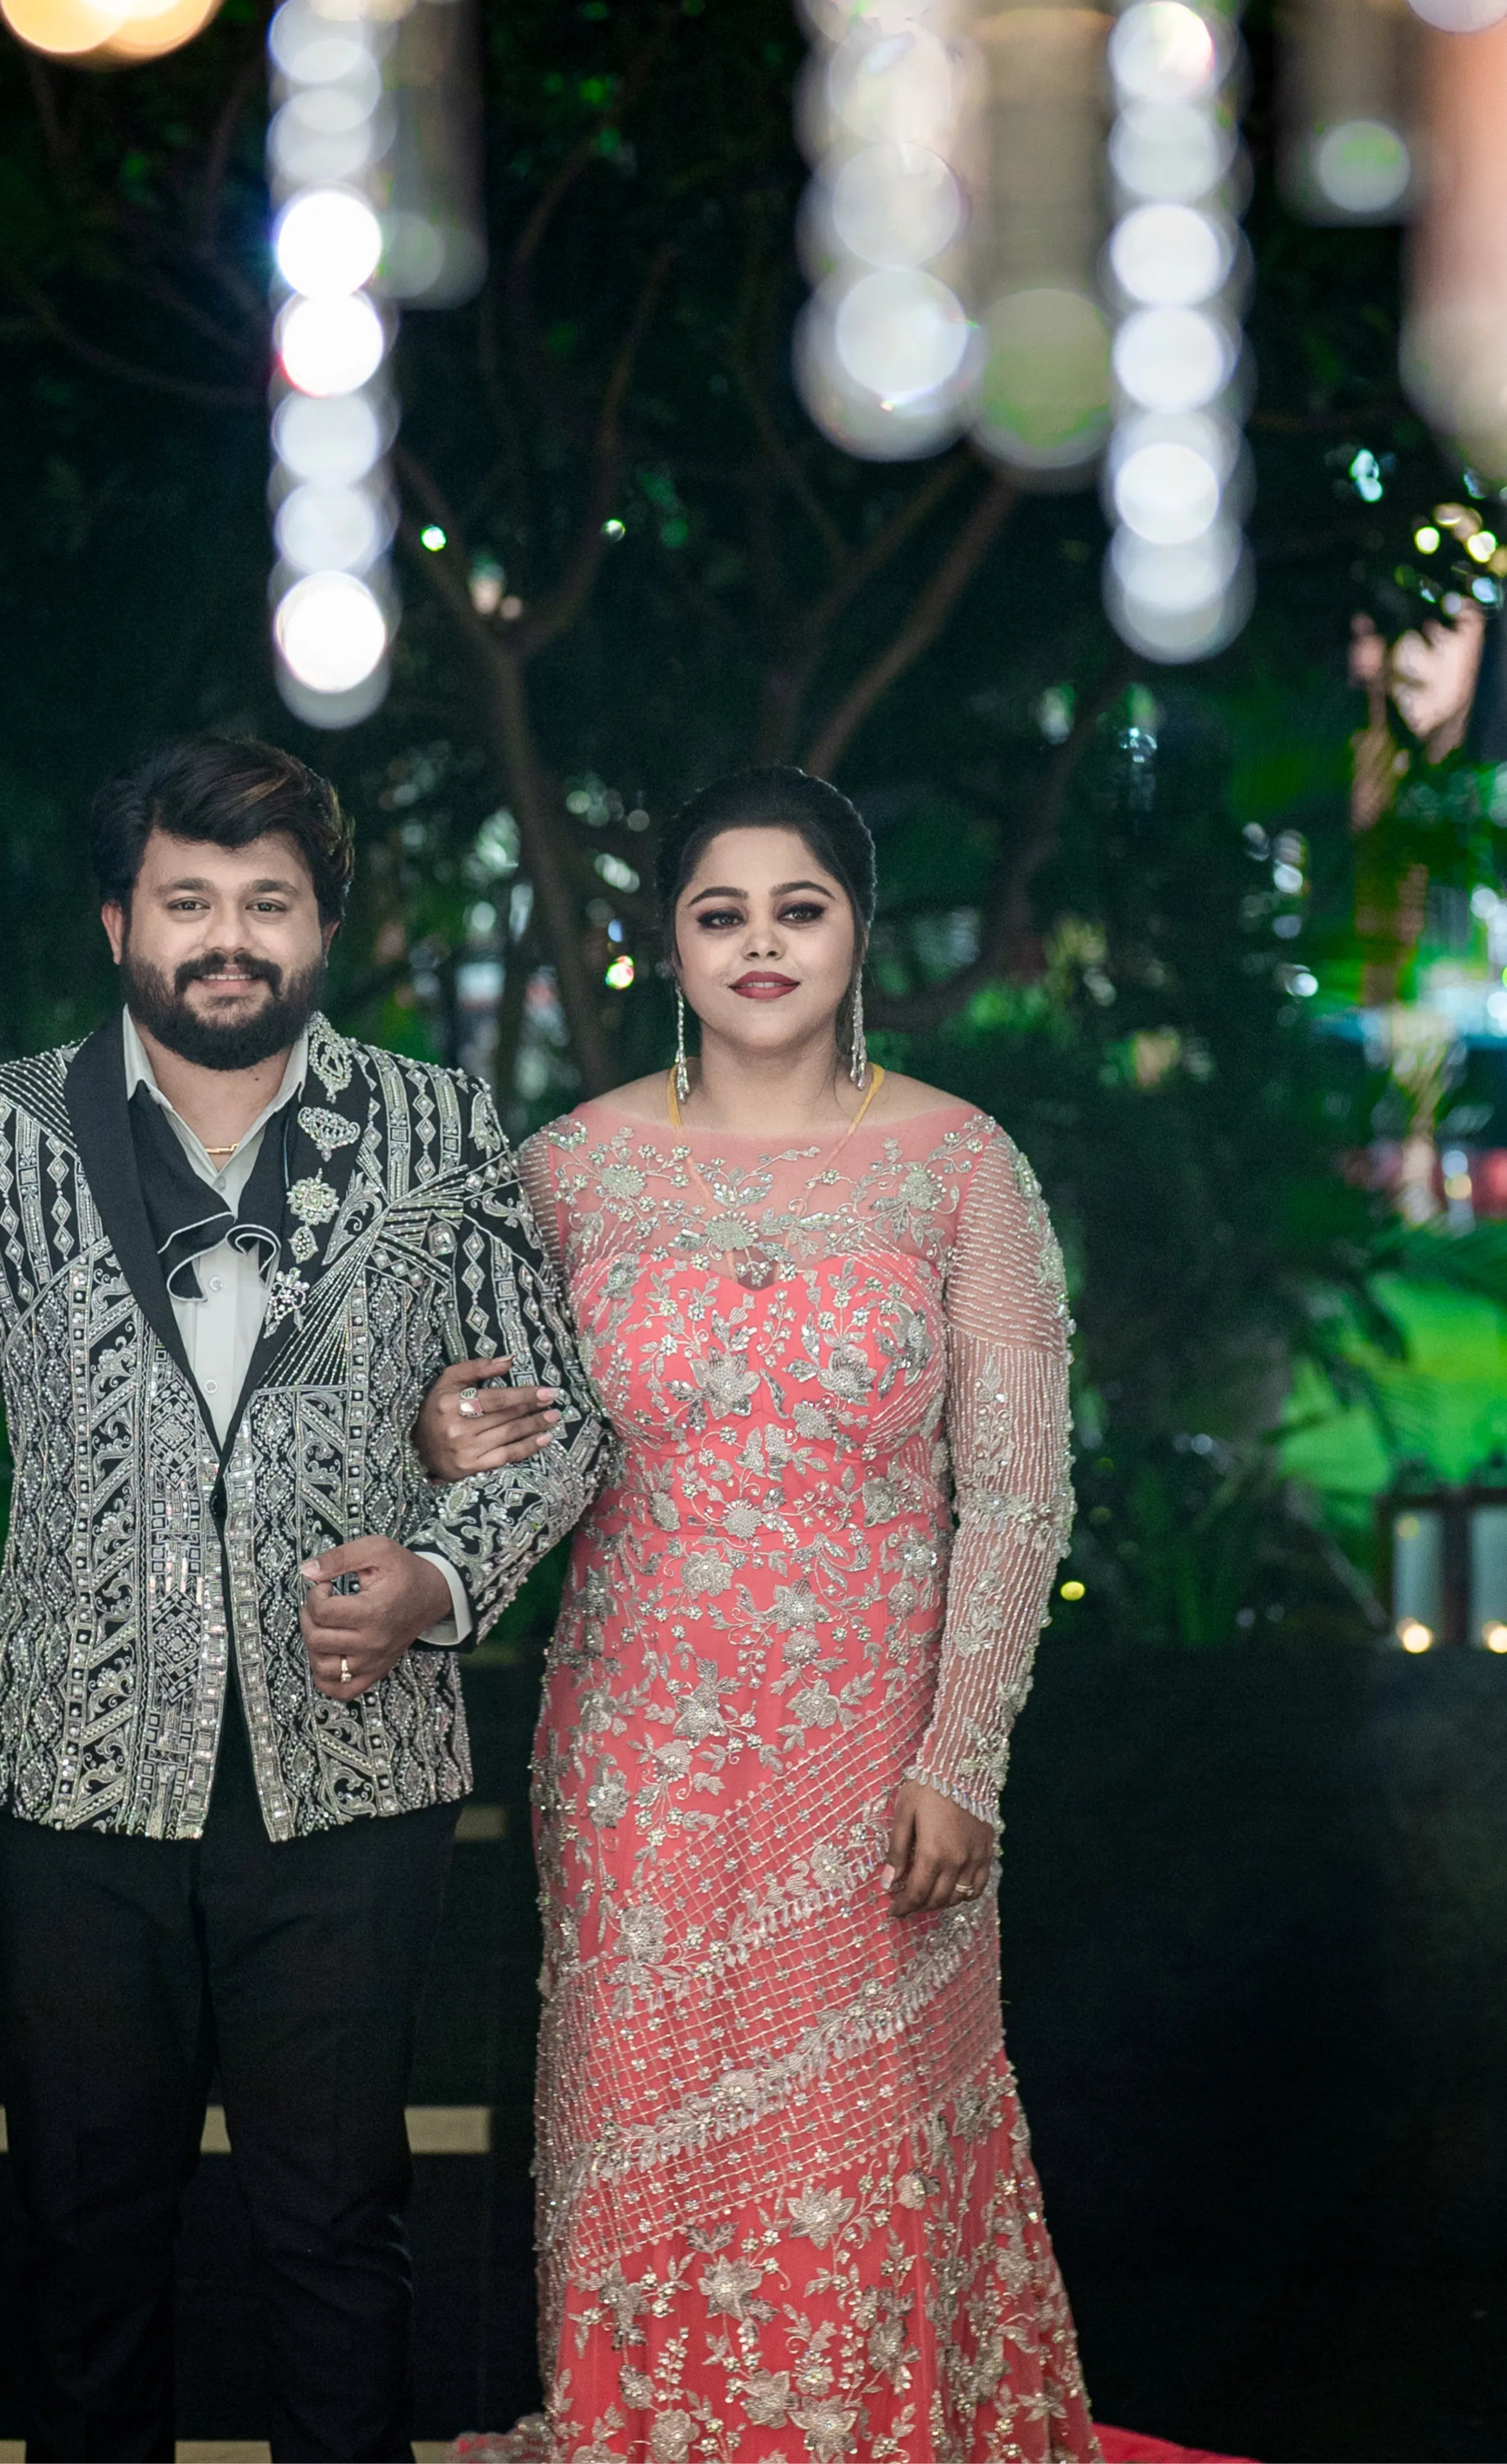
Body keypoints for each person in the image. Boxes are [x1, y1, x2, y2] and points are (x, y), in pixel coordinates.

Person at [0, 732, 614, 2464]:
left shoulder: (434, 1124)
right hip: (73, 1773)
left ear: (324, 927)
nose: (229, 938)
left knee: (333, 2230)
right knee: (83, 2235)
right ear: (119, 923)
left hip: (353, 1778)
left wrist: (438, 1576)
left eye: (268, 901)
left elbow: (558, 1422)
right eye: (188, 901)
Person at [422, 763, 1154, 2464]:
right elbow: (483, 1440)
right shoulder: (567, 1172)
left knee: (865, 2133)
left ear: (857, 932)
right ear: (673, 946)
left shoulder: (959, 1167)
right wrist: (442, 1434)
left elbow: (1018, 1494)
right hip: (639, 1755)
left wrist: (963, 1756)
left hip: (878, 1759)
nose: (760, 943)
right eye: (720, 912)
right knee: (639, 2123)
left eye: (797, 908)